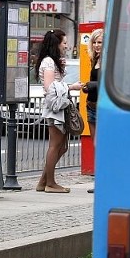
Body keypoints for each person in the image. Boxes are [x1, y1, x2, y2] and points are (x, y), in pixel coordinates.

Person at [34, 29, 83, 193]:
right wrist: (71, 86)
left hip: (58, 107)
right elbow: (50, 88)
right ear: (56, 44)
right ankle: (50, 183)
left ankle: (43, 181)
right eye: (64, 43)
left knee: (62, 146)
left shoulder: (52, 62)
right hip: (55, 108)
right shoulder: (48, 62)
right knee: (55, 146)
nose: (66, 46)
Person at [82, 28, 103, 194]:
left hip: (102, 107)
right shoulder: (93, 59)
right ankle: (99, 181)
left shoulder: (108, 60)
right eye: (95, 42)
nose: (97, 45)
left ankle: (103, 181)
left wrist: (91, 85)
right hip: (91, 105)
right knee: (96, 145)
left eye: (100, 42)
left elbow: (107, 83)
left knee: (100, 144)